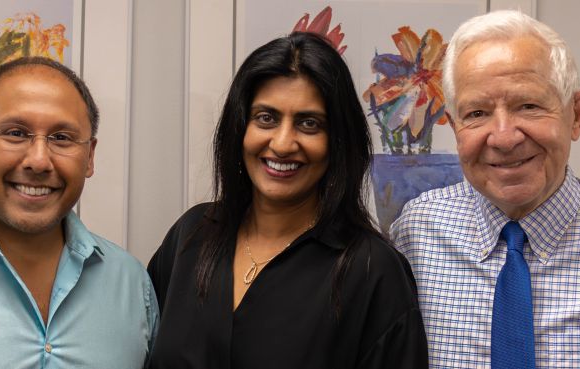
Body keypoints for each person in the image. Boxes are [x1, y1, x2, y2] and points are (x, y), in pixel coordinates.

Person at [148, 32, 427, 368]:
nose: (282, 144)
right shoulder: (192, 234)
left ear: (337, 141)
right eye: (266, 118)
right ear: (240, 128)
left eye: (309, 124)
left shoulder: (372, 270)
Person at [392, 10, 580, 368]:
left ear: (576, 115)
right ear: (455, 128)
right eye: (477, 113)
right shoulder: (416, 232)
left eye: (528, 106)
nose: (503, 137)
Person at [0, 57, 158, 368]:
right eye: (16, 133)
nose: (38, 161)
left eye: (61, 138)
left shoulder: (131, 284)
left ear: (89, 157)